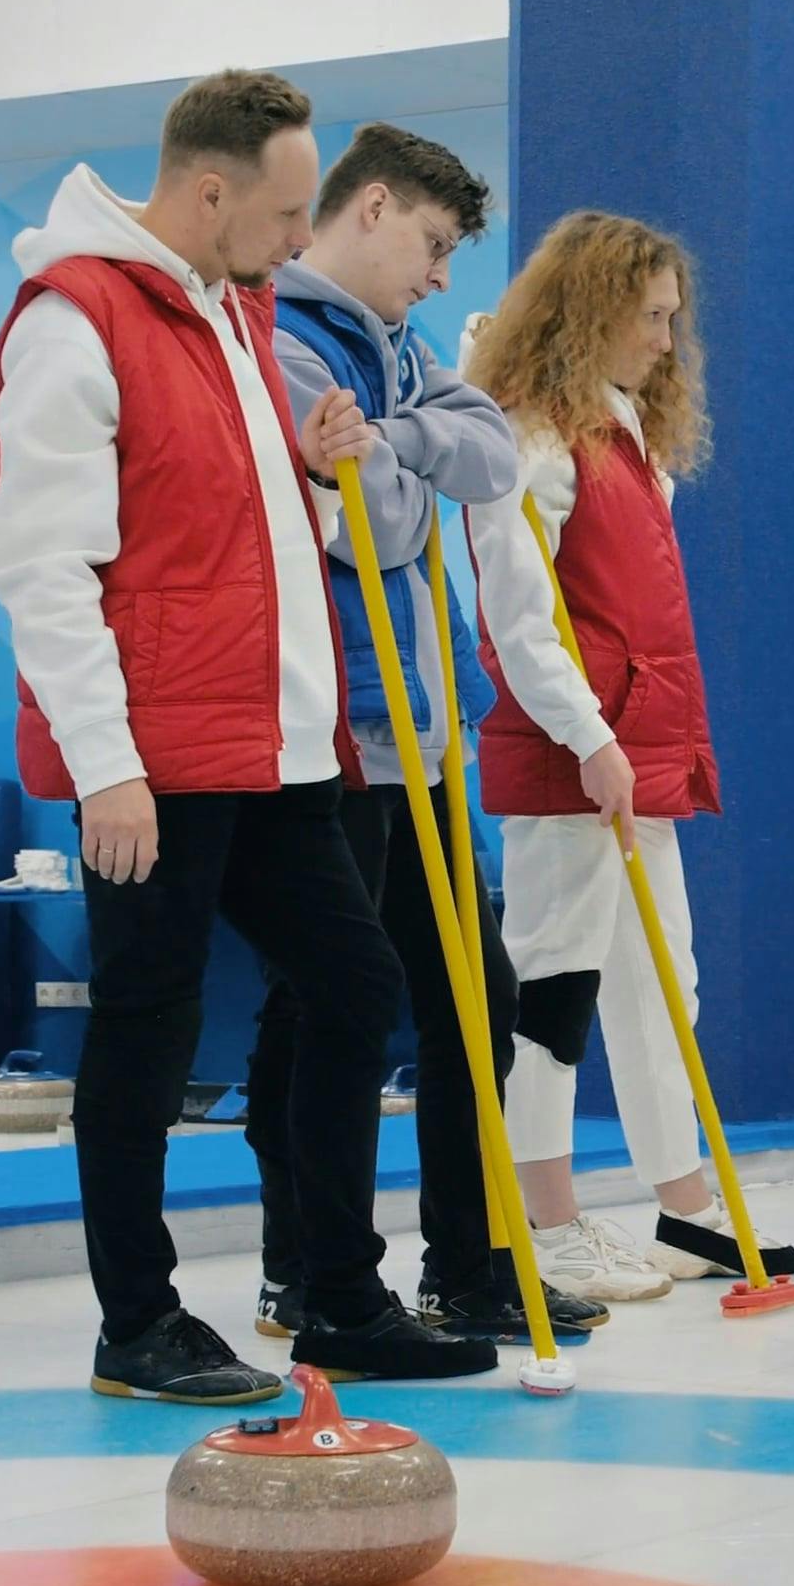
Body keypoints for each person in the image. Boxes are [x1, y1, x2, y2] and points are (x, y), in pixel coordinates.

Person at [0, 69, 495, 1400]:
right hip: (153, 755)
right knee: (148, 1031)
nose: (294, 235)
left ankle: (335, 1294)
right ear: (209, 191)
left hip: (274, 744)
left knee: (359, 985)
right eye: (280, 211)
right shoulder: (74, 322)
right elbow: (44, 566)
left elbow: (259, 533)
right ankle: (135, 1319)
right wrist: (105, 766)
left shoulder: (237, 310)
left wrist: (328, 469)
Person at [244, 124, 650, 1342]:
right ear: (370, 208)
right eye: (431, 244)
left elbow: (479, 461)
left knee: (472, 993)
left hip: (416, 737)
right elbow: (350, 515)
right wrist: (394, 469)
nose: (440, 278)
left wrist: (398, 444)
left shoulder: (400, 352)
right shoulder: (281, 342)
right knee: (329, 1012)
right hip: (331, 737)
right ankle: (312, 1272)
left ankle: (465, 1264)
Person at [462, 212, 794, 1289]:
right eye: (650, 317)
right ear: (594, 310)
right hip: (572, 756)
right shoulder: (533, 436)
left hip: (631, 748)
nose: (666, 340)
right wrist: (590, 735)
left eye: (670, 319)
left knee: (662, 979)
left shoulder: (625, 434)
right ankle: (543, 1220)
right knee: (556, 985)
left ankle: (684, 1203)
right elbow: (518, 617)